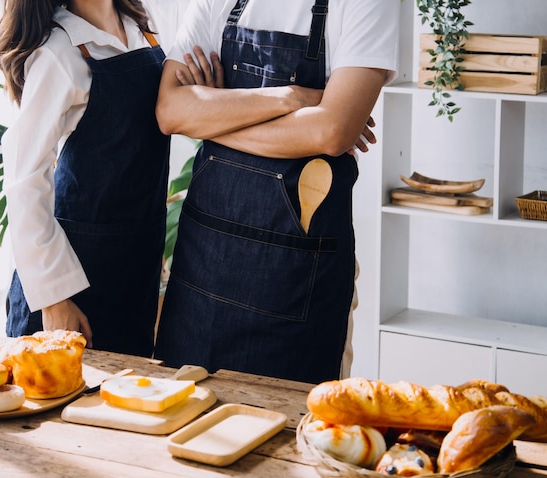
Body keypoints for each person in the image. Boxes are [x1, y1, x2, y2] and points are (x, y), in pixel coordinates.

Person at [154, 0, 400, 384]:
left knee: (290, 436)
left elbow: (331, 133)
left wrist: (213, 118)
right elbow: (170, 111)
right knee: (180, 423)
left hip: (297, 282)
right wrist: (293, 99)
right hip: (202, 272)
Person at [0, 0, 181, 356]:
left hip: (131, 272)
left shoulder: (144, 29)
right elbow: (24, 179)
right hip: (72, 283)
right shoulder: (60, 51)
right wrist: (54, 298)